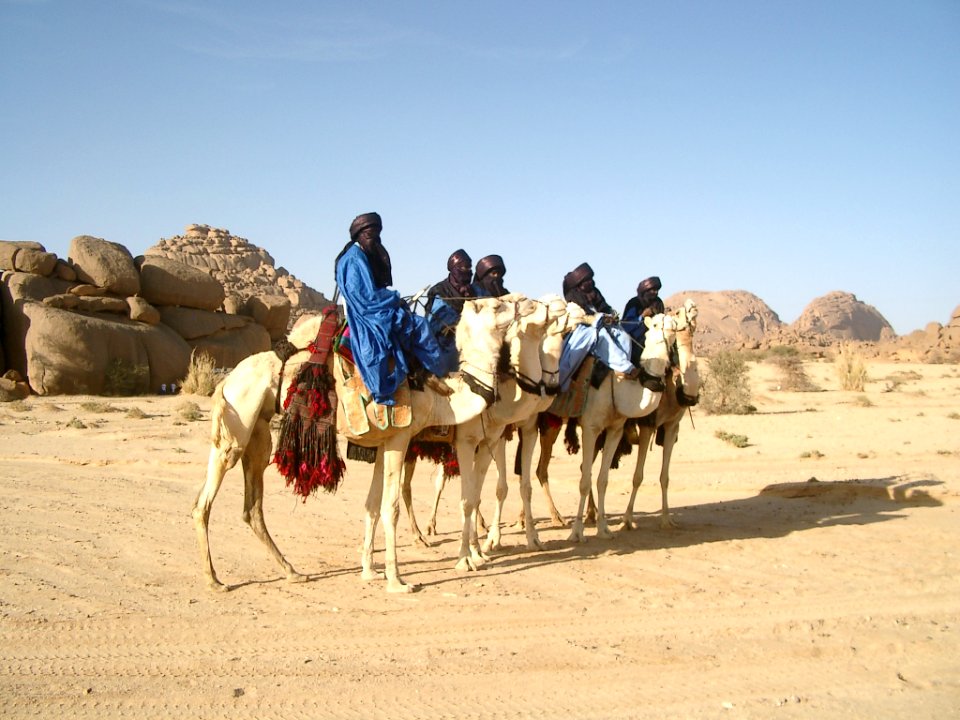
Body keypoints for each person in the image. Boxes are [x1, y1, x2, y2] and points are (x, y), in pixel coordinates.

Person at [334, 212, 450, 405]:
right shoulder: (354, 259)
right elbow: (366, 297)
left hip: (375, 307)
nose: (375, 240)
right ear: (360, 235)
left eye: (377, 236)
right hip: (368, 313)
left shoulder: (362, 255)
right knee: (419, 325)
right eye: (371, 236)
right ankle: (437, 372)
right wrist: (395, 299)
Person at [425, 249, 475, 375]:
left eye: (470, 268)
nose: (468, 271)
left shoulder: (473, 291)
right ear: (454, 269)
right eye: (464, 267)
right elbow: (435, 321)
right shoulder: (440, 291)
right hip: (445, 342)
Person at [622, 275, 665, 358]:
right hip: (636, 338)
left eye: (657, 290)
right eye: (653, 290)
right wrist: (642, 316)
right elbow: (626, 325)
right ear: (645, 292)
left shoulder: (658, 302)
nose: (655, 292)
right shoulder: (634, 303)